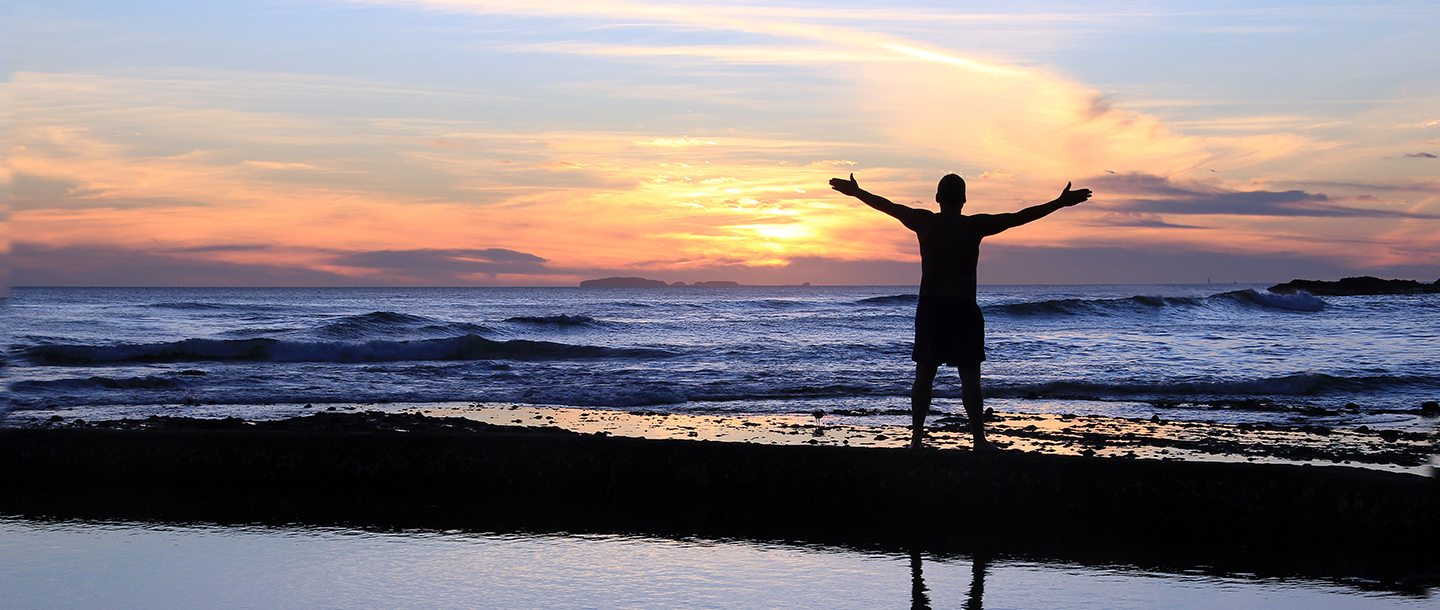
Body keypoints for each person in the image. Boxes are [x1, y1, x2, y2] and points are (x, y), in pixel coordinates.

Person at [829, 173, 1092, 451]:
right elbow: (1020, 216)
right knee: (969, 375)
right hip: (962, 305)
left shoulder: (924, 221)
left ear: (937, 198)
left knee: (924, 374)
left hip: (931, 305)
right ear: (964, 199)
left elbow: (886, 205)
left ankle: (917, 440)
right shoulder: (973, 226)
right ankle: (978, 440)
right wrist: (1059, 202)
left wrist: (858, 192)